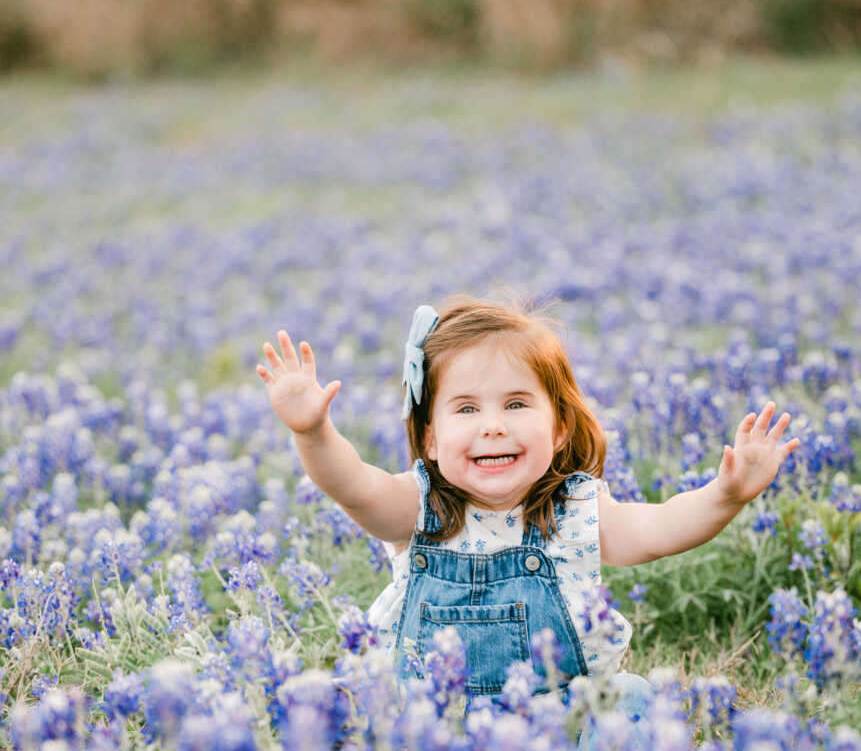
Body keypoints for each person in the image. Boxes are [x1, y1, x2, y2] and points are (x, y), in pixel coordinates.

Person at [257, 296, 799, 712]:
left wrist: (724, 495)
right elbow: (353, 485)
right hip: (427, 714)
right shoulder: (417, 508)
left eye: (517, 404)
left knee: (633, 700)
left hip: (553, 717)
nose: (493, 424)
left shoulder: (577, 512)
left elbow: (661, 528)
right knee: (323, 702)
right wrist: (314, 433)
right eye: (465, 409)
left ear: (560, 428)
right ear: (429, 439)